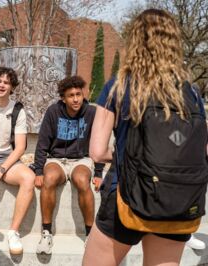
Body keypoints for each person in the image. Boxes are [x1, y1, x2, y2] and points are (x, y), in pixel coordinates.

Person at [83, 9, 203, 265]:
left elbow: (96, 151)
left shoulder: (120, 85)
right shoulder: (191, 94)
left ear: (135, 41)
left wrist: (135, 157)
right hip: (176, 198)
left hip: (125, 193)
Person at [30, 75, 105, 255]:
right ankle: (46, 233)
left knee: (81, 180)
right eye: (71, 95)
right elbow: (42, 144)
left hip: (82, 159)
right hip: (57, 159)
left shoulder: (91, 113)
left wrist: (99, 173)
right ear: (63, 98)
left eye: (78, 94)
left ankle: (90, 234)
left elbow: (100, 143)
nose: (76, 99)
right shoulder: (53, 112)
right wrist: (39, 170)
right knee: (50, 178)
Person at [0, 67, 35, 255]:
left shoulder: (18, 109)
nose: (2, 85)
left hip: (6, 158)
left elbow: (20, 147)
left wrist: (3, 168)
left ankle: (13, 232)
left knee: (29, 178)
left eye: (6, 82)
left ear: (12, 87)